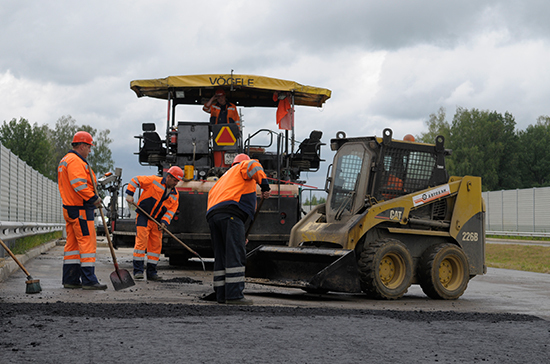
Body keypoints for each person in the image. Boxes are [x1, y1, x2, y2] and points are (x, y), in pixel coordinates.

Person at [206, 153, 271, 305]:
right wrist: (265, 186)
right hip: (231, 213)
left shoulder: (223, 178)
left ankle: (221, 294)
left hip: (213, 216)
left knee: (221, 255)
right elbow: (253, 165)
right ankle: (234, 296)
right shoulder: (243, 166)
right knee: (235, 253)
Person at [57, 131, 106, 290]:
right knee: (87, 243)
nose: (90, 151)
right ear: (83, 145)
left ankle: (71, 279)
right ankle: (89, 280)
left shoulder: (66, 160)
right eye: (89, 147)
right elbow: (79, 185)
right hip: (81, 209)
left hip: (70, 209)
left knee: (73, 245)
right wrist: (94, 199)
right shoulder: (76, 162)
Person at [125, 166, 183, 280]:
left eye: (178, 181)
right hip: (143, 216)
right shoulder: (153, 181)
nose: (176, 183)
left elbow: (171, 210)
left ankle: (152, 273)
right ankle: (138, 271)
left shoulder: (175, 194)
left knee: (155, 246)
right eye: (175, 180)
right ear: (169, 177)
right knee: (141, 243)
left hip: (157, 222)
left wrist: (164, 222)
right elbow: (135, 180)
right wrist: (129, 194)